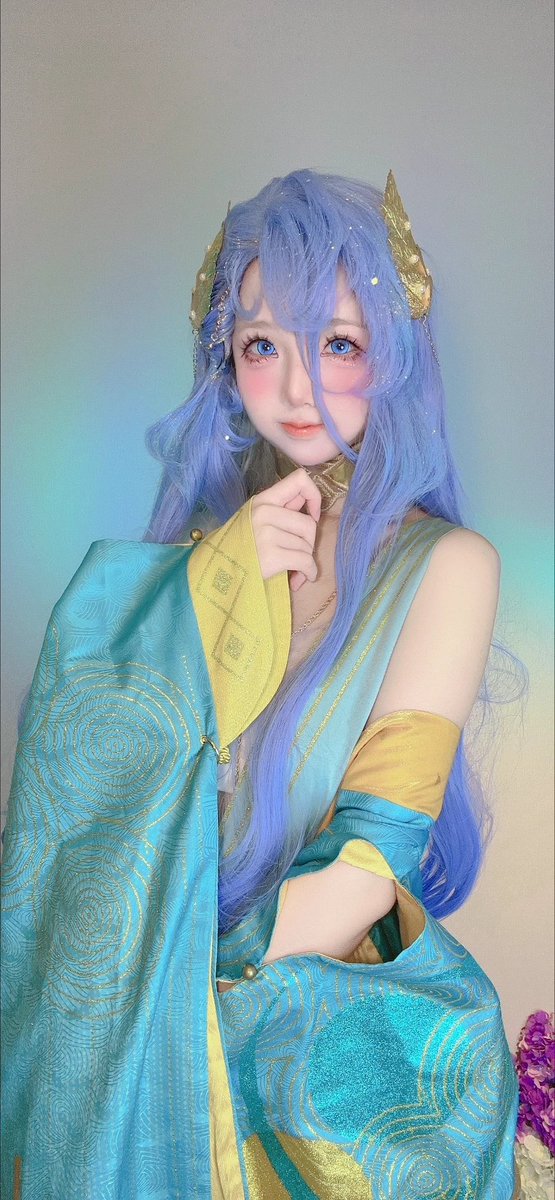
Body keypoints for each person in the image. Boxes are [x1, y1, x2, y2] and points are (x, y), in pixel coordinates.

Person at [1, 169, 523, 1199]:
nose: (297, 389)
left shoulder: (445, 568)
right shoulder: (200, 566)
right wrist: (209, 594)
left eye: (339, 344)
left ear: (395, 352)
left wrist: (168, 987)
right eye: (261, 346)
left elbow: (369, 863)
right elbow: (78, 809)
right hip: (147, 996)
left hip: (300, 1017)